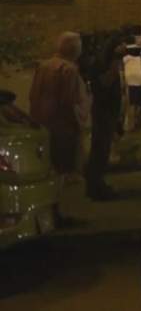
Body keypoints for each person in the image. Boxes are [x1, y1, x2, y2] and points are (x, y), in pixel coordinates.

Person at [29, 33, 90, 195]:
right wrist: (78, 123)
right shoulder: (68, 70)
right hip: (63, 127)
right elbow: (69, 101)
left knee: (48, 167)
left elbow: (33, 94)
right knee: (62, 170)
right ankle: (57, 211)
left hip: (43, 123)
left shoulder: (43, 66)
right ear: (75, 50)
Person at [84, 39, 124, 201]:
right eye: (118, 54)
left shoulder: (107, 65)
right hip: (102, 112)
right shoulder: (100, 66)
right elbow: (103, 84)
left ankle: (98, 184)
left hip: (109, 112)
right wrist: (114, 69)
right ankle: (95, 186)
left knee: (104, 150)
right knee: (99, 150)